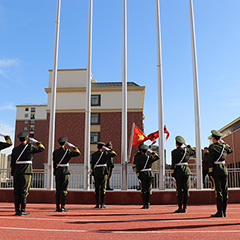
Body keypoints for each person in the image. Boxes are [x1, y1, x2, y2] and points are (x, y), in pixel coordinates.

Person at [11, 131, 45, 216]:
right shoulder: (29, 147)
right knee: (24, 192)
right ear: (27, 139)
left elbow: (12, 163)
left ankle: (16, 210)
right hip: (26, 172)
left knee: (16, 192)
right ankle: (22, 210)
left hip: (16, 172)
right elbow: (42, 148)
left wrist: (12, 174)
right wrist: (36, 141)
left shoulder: (15, 149)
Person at [208, 130, 233, 217]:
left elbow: (210, 161)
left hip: (216, 170)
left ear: (213, 138)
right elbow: (230, 150)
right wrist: (224, 142)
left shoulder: (211, 148)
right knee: (225, 191)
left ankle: (220, 211)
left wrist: (210, 172)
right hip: (224, 169)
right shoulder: (224, 146)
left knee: (218, 191)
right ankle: (224, 211)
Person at [53, 136, 81, 212]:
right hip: (65, 171)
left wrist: (54, 172)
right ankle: (62, 207)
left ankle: (57, 207)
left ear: (58, 143)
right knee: (64, 190)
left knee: (58, 190)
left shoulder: (55, 152)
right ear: (65, 144)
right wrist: (74, 147)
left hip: (58, 171)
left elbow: (54, 163)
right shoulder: (67, 151)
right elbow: (78, 153)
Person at [171, 136, 195, 213]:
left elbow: (173, 163)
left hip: (178, 171)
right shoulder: (187, 151)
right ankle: (185, 207)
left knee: (179, 190)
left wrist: (172, 173)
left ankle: (180, 207)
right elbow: (193, 151)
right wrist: (187, 145)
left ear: (176, 144)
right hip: (186, 171)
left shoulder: (174, 152)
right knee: (186, 189)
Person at [91, 142, 117, 208]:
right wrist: (108, 149)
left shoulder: (94, 154)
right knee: (103, 188)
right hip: (103, 171)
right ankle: (102, 204)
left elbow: (92, 164)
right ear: (103, 148)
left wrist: (92, 172)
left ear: (97, 147)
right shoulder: (105, 154)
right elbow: (114, 154)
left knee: (96, 188)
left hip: (96, 171)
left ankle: (97, 204)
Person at [135, 144, 159, 209]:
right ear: (146, 151)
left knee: (143, 190)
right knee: (149, 190)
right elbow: (157, 157)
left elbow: (137, 168)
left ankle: (144, 204)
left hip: (142, 175)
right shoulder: (150, 157)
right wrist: (151, 151)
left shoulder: (138, 158)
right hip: (149, 174)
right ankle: (148, 204)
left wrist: (138, 177)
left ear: (141, 151)